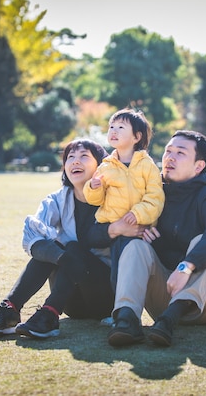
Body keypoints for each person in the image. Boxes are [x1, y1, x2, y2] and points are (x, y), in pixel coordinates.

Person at [91, 130, 206, 347]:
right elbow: (93, 234)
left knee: (204, 243)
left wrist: (186, 267)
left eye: (180, 153)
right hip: (161, 299)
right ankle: (127, 319)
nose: (170, 157)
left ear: (199, 166)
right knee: (136, 246)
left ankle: (171, 318)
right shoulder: (148, 193)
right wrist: (123, 229)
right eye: (168, 151)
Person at [0, 139, 131, 339]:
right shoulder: (57, 200)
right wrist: (62, 258)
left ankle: (49, 315)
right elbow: (32, 238)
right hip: (72, 303)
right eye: (70, 157)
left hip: (104, 296)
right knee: (55, 247)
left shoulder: (115, 199)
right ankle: (10, 309)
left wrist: (68, 254)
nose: (75, 162)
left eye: (84, 156)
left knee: (72, 247)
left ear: (101, 165)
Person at [83, 108, 164, 290]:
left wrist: (138, 213)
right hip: (113, 228)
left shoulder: (147, 166)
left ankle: (126, 307)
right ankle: (117, 309)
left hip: (137, 229)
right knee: (114, 273)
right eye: (111, 126)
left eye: (120, 127)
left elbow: (155, 197)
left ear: (136, 137)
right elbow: (96, 201)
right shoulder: (106, 166)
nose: (113, 131)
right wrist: (93, 187)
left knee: (128, 271)